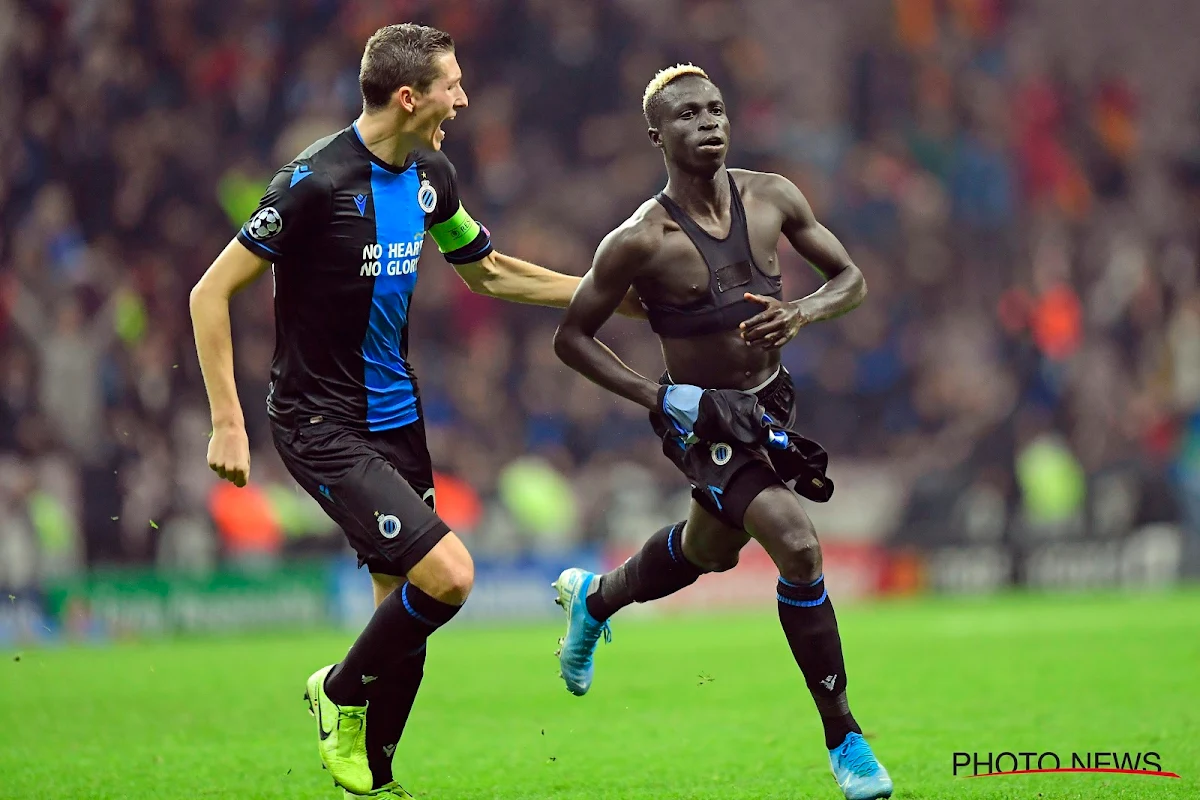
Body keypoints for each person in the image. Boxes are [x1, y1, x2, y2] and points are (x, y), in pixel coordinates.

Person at [189, 23, 640, 799]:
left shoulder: (431, 174)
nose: (463, 98)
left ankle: (377, 778)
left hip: (399, 420)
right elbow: (209, 292)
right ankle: (336, 692)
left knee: (402, 611)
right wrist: (228, 420)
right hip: (318, 423)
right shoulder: (313, 183)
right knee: (451, 576)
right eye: (452, 84)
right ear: (410, 96)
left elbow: (488, 271)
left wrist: (598, 294)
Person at [551, 64, 893, 800]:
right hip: (701, 421)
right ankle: (847, 740)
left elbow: (850, 279)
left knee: (708, 550)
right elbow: (571, 337)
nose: (707, 122)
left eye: (715, 109)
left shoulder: (773, 196)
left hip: (770, 404)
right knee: (797, 547)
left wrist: (802, 312)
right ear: (657, 136)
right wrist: (661, 398)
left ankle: (597, 599)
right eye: (687, 114)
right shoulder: (638, 240)